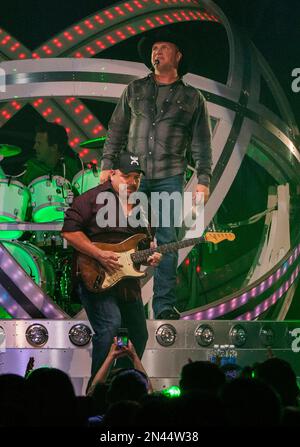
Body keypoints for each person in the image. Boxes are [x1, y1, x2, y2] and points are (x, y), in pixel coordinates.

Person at [100, 28, 212, 319]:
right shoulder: (135, 90)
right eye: (154, 48)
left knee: (166, 241)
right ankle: (121, 304)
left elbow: (201, 141)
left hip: (169, 176)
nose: (156, 52)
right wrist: (106, 164)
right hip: (131, 177)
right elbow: (117, 129)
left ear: (177, 55)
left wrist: (204, 179)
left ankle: (163, 306)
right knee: (122, 239)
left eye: (163, 47)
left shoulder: (192, 97)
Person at [61, 151, 161, 381]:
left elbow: (144, 246)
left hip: (126, 281)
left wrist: (152, 257)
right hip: (96, 275)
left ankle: (123, 384)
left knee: (139, 334)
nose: (133, 182)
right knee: (109, 326)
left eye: (137, 178)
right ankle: (98, 389)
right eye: (127, 176)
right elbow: (69, 231)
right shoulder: (92, 199)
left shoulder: (142, 208)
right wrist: (99, 254)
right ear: (113, 174)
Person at [20, 121, 80, 185]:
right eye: (36, 142)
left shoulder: (71, 166)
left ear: (53, 147)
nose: (34, 147)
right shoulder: (31, 166)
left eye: (39, 143)